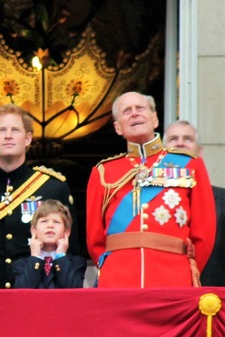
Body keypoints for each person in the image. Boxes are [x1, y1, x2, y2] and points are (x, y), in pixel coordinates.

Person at [86, 92, 215, 288]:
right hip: (117, 280)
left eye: (140, 108)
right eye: (126, 111)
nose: (134, 114)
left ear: (155, 119)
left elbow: (204, 232)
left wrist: (189, 269)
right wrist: (110, 268)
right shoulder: (103, 172)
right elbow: (95, 239)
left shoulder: (190, 164)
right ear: (118, 128)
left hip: (173, 278)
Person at [0, 104, 77, 289]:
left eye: (15, 130)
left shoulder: (53, 187)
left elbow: (72, 250)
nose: (8, 135)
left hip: (36, 291)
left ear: (28, 138)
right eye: (2, 130)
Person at [163, 120, 224, 286]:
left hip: (214, 296)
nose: (180, 143)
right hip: (167, 289)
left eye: (188, 139)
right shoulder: (149, 201)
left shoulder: (223, 199)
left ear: (200, 151)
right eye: (173, 139)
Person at [12, 200, 86, 288]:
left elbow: (74, 290)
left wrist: (61, 256)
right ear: (33, 231)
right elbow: (22, 292)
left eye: (56, 222)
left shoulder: (76, 263)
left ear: (66, 232)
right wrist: (35, 256)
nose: (50, 225)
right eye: (44, 221)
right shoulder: (21, 265)